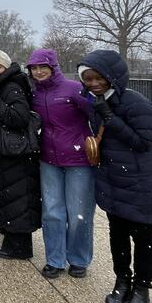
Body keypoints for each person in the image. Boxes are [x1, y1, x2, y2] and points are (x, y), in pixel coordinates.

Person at [79, 50, 152, 303]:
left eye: (98, 78)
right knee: (117, 232)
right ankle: (122, 280)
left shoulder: (136, 102)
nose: (94, 83)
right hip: (112, 176)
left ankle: (142, 288)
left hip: (139, 178)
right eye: (88, 79)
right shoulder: (94, 101)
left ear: (112, 76)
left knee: (142, 234)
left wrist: (110, 119)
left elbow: (144, 143)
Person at [27, 49, 96, 279]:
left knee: (79, 212)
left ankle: (78, 258)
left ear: (53, 67)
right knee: (52, 211)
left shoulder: (74, 89)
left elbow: (97, 115)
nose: (38, 72)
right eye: (34, 68)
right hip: (49, 158)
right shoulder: (35, 94)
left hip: (79, 159)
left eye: (42, 67)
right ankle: (54, 259)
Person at [0, 49, 41, 260]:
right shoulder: (8, 84)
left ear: (6, 67)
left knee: (17, 196)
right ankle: (13, 236)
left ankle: (19, 246)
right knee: (11, 194)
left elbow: (19, 117)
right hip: (10, 149)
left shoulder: (12, 87)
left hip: (15, 151)